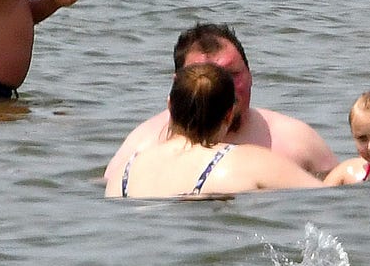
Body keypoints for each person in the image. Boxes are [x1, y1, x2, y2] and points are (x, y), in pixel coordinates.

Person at [102, 24, 338, 186]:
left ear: (250, 75)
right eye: (205, 76)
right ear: (177, 87)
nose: (222, 87)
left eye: (232, 75)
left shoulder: (295, 140)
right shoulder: (142, 145)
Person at [108, 63, 325, 199]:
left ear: (170, 106)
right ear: (229, 114)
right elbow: (325, 198)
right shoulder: (248, 160)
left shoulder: (124, 173)